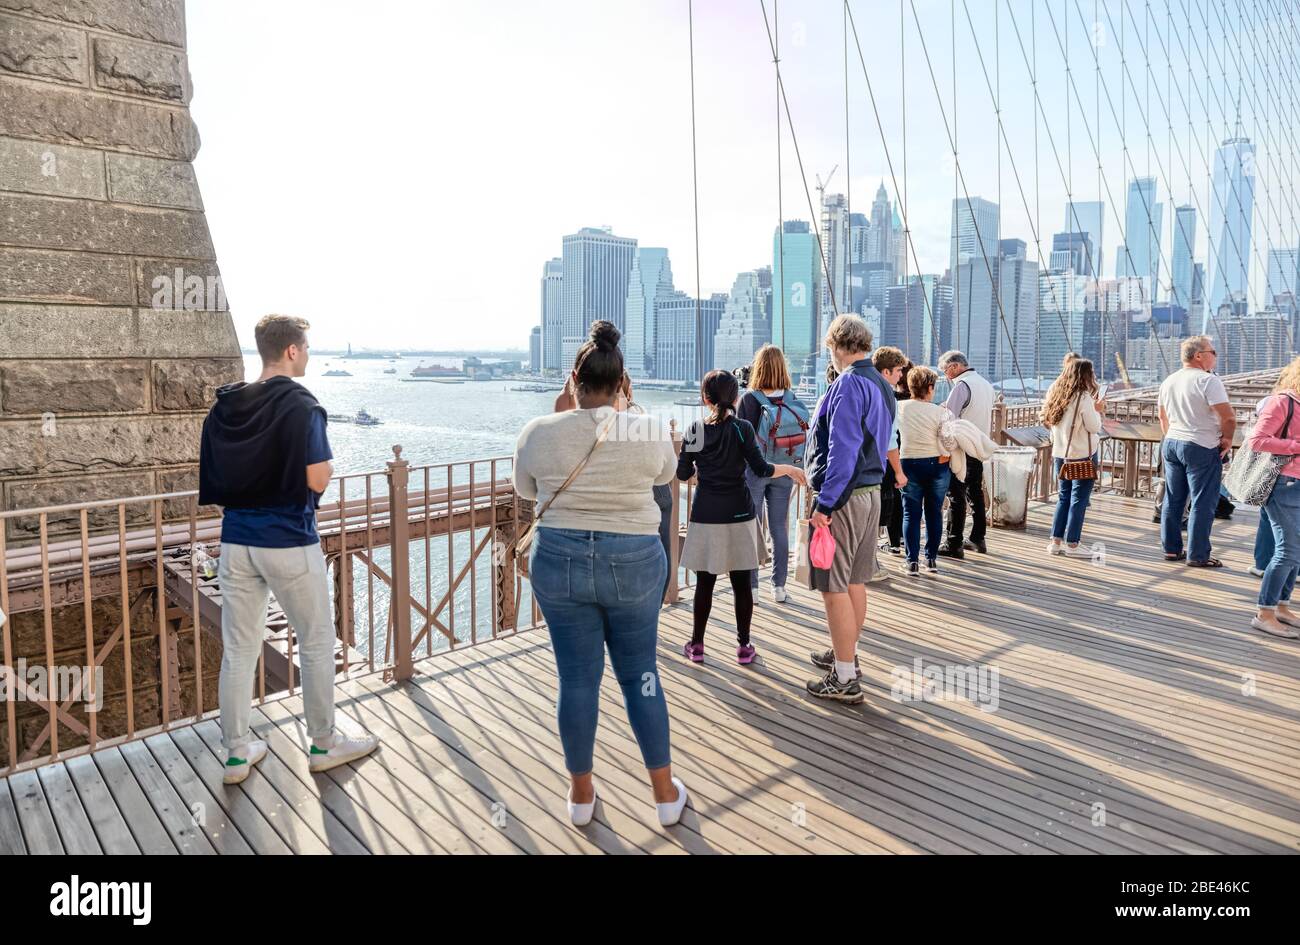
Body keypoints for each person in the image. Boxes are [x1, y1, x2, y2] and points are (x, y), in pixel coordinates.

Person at [514, 321, 690, 828]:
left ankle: (581, 796)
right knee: (642, 675)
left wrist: (561, 417)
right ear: (622, 383)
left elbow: (527, 490)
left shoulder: (540, 431)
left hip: (560, 558)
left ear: (573, 379)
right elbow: (664, 476)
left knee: (576, 678)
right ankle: (663, 795)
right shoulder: (646, 427)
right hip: (633, 560)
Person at [199, 314, 379, 785]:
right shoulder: (301, 405)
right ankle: (323, 743)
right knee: (318, 642)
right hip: (287, 540)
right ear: (293, 351)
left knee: (239, 649)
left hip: (236, 541)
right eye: (307, 347)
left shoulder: (226, 406)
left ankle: (237, 753)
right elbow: (317, 476)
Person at [679, 369, 806, 664]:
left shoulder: (695, 430)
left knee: (704, 584)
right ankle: (744, 646)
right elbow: (761, 469)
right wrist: (789, 469)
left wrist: (705, 472)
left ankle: (697, 645)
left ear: (705, 398)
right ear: (736, 397)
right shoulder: (743, 428)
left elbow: (683, 473)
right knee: (740, 583)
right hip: (739, 513)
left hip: (706, 513)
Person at [803, 315, 896, 703]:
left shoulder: (847, 384)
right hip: (871, 492)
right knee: (855, 579)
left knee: (832, 587)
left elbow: (843, 450)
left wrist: (825, 503)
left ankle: (844, 676)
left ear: (837, 346)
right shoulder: (881, 383)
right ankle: (847, 656)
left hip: (844, 497)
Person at [737, 344, 810, 603]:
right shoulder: (790, 398)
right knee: (779, 528)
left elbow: (740, 440)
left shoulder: (749, 399)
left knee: (752, 528)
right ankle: (778, 587)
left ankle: (752, 589)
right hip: (785, 469)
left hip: (755, 472)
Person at [1158, 335, 1236, 567]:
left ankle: (1171, 550)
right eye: (1213, 352)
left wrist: (1173, 437)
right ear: (1199, 356)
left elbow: (1163, 417)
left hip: (1171, 442)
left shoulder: (1168, 380)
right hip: (1201, 445)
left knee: (1173, 499)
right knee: (1203, 502)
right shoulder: (1208, 381)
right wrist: (1227, 439)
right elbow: (1228, 417)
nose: (1215, 357)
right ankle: (1198, 555)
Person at [1245, 358, 1300, 638]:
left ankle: (1281, 605)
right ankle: (1263, 612)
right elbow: (1257, 440)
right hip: (1283, 484)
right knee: (1287, 550)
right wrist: (1293, 445)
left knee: (1297, 551)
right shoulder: (1282, 402)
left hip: (1298, 483)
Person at [1042, 357, 1105, 557]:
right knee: (1079, 499)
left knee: (1063, 497)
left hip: (1060, 453)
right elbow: (1094, 427)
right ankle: (1073, 544)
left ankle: (1055, 542)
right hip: (1082, 455)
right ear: (1086, 375)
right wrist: (1099, 410)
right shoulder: (1084, 397)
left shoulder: (1055, 393)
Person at [937, 350, 995, 557]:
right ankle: (978, 538)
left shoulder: (962, 386)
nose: (945, 375)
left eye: (945, 370)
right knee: (975, 493)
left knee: (956, 495)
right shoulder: (986, 385)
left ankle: (953, 543)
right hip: (979, 445)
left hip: (962, 447)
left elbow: (949, 418)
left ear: (955, 367)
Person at [896, 366, 951, 576]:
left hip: (908, 462)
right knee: (934, 512)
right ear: (929, 388)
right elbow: (948, 439)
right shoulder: (941, 412)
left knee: (911, 512)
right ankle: (931, 559)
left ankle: (911, 562)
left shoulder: (899, 407)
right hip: (936, 464)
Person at [872, 347, 910, 559]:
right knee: (880, 507)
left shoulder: (864, 388)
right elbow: (889, 439)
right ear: (886, 372)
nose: (901, 375)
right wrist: (898, 471)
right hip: (879, 463)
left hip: (857, 464)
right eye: (898, 370)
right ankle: (869, 563)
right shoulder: (888, 397)